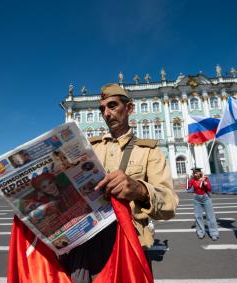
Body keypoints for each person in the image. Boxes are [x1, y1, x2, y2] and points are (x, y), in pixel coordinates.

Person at [60, 83, 178, 282]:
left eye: (112, 106)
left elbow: (169, 205)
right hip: (86, 249)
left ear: (129, 109)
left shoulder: (149, 151)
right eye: (102, 109)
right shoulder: (88, 149)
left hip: (130, 247)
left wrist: (140, 190)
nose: (106, 113)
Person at [187, 168, 219, 240]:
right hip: (197, 199)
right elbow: (187, 188)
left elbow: (210, 189)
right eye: (194, 173)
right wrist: (187, 179)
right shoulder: (192, 180)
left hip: (206, 198)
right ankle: (200, 232)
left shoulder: (205, 178)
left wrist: (205, 183)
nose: (195, 174)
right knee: (198, 216)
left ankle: (214, 233)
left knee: (210, 216)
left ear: (200, 173)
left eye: (196, 172)